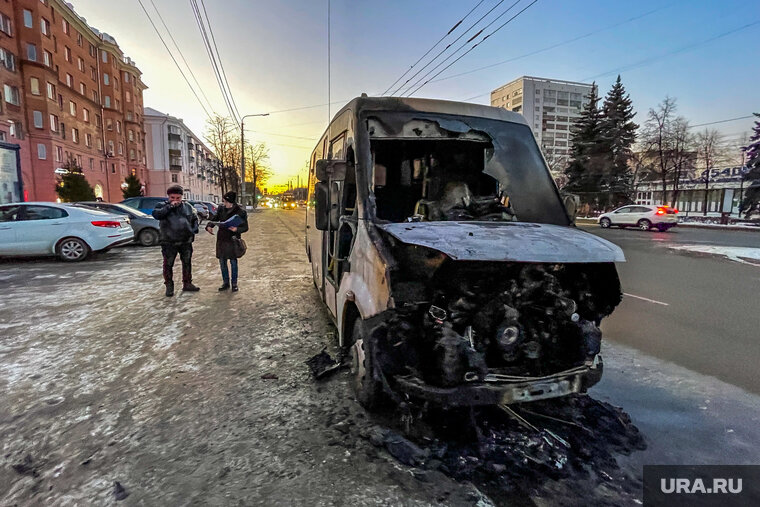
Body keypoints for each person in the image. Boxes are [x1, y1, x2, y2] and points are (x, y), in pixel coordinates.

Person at [152, 185, 200, 297]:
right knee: (168, 264)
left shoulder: (187, 206)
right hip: (169, 241)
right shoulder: (162, 206)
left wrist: (194, 228)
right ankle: (169, 286)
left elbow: (194, 218)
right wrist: (170, 207)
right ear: (168, 197)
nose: (175, 200)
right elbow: (157, 215)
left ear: (181, 197)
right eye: (172, 197)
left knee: (187, 262)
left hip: (185, 241)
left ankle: (187, 283)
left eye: (178, 198)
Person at [205, 191, 248, 292]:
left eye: (226, 201)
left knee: (233, 262)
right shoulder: (221, 209)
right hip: (222, 240)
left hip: (233, 240)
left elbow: (245, 227)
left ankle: (234, 284)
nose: (224, 203)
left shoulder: (240, 212)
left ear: (231, 201)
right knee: (222, 262)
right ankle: (225, 282)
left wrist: (237, 229)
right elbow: (214, 219)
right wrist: (209, 226)